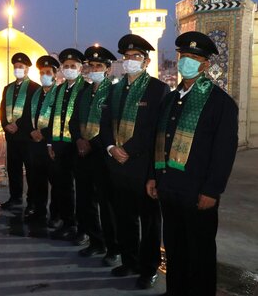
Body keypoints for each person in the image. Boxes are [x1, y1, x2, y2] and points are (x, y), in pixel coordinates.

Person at [147, 31, 238, 296]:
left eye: (193, 57)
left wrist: (212, 190)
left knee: (200, 253)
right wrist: (154, 176)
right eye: (183, 56)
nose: (186, 61)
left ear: (205, 64)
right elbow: (159, 142)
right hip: (170, 189)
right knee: (175, 248)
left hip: (198, 193)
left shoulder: (219, 103)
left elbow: (224, 152)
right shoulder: (170, 100)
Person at [100, 34, 169, 289]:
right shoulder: (116, 89)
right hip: (117, 165)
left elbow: (154, 131)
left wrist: (127, 149)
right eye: (127, 57)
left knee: (149, 222)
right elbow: (105, 123)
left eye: (135, 57)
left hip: (142, 167)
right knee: (124, 217)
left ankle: (148, 267)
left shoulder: (158, 89)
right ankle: (129, 260)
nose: (130, 61)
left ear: (146, 61)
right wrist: (110, 147)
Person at [69, 45, 120, 265]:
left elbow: (111, 126)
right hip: (83, 155)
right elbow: (73, 121)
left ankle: (113, 247)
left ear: (108, 69)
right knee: (85, 200)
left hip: (103, 156)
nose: (95, 68)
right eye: (92, 65)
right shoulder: (83, 93)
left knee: (107, 205)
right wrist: (79, 140)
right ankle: (95, 241)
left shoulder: (114, 92)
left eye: (99, 65)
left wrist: (93, 143)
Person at [48, 48, 88, 241]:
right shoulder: (59, 90)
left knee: (82, 190)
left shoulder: (85, 89)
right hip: (60, 145)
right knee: (63, 186)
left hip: (77, 145)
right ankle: (67, 222)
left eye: (73, 66)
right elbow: (51, 118)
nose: (69, 69)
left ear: (80, 69)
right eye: (66, 66)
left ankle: (83, 228)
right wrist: (51, 144)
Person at [0, 53, 40, 211]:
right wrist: (5, 124)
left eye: (21, 67)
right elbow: (2, 109)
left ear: (27, 69)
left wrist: (19, 126)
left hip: (27, 137)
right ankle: (15, 197)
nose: (18, 69)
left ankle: (32, 201)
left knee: (31, 171)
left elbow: (33, 111)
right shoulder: (8, 88)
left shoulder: (34, 88)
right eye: (16, 67)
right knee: (13, 169)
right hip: (12, 137)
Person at [27, 55, 59, 223]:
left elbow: (59, 119)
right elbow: (28, 117)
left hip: (51, 145)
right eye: (42, 72)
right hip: (36, 146)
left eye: (48, 72)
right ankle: (39, 212)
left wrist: (45, 135)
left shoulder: (59, 93)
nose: (44, 75)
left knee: (56, 184)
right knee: (37, 182)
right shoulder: (35, 94)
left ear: (55, 74)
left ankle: (55, 215)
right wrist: (32, 131)